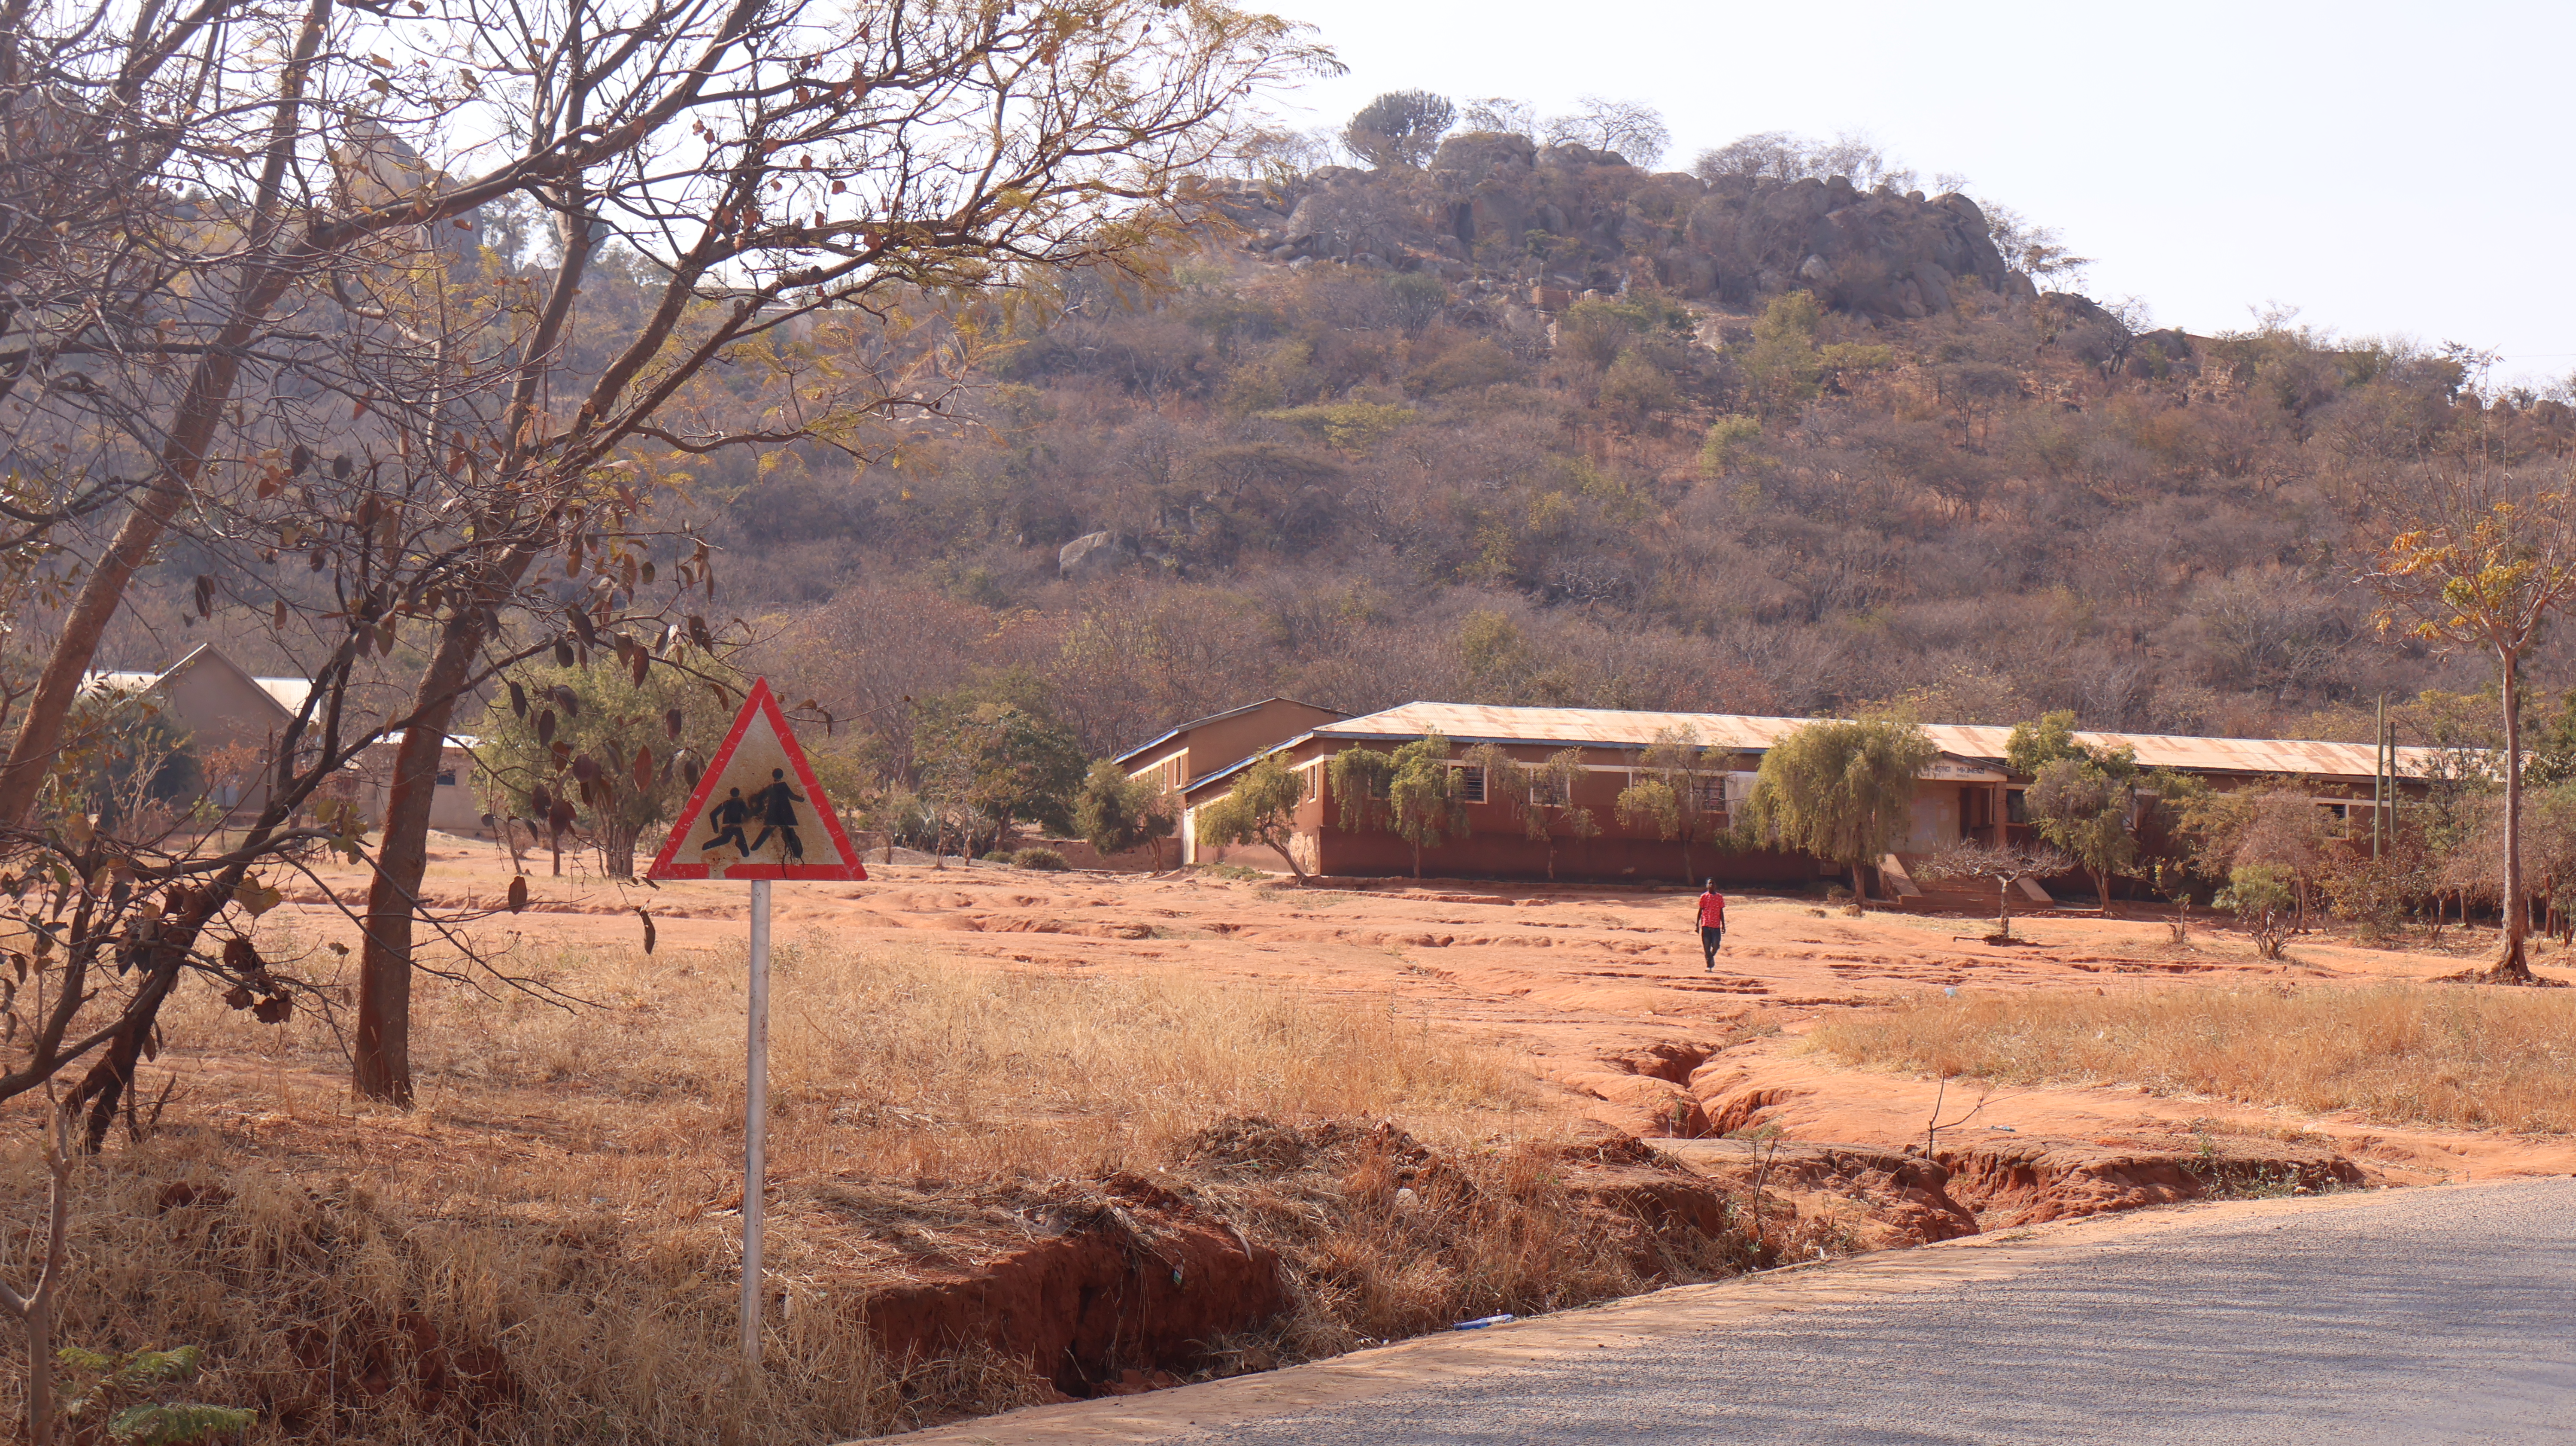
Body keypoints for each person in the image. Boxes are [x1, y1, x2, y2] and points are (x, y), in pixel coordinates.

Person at [747, 767, 807, 862]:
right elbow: (792, 796)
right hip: (785, 813)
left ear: (774, 776)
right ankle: (796, 852)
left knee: (768, 830)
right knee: (788, 829)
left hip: (774, 814)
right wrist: (802, 799)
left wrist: (754, 801)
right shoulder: (784, 786)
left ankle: (755, 847)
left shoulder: (771, 788)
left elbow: (761, 796)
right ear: (782, 776)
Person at [700, 787, 750, 857]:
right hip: (733, 828)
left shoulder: (727, 803)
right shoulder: (740, 803)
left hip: (731, 828)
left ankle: (705, 847)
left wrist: (716, 829)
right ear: (738, 794)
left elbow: (713, 814)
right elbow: (748, 815)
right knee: (727, 841)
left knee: (745, 853)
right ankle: (704, 847)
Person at [1695, 879, 1725, 970]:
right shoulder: (1704, 897)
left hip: (1716, 925)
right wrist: (1697, 925)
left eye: (1713, 883)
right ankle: (1709, 966)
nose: (1712, 885)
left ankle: (1711, 957)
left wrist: (1723, 925)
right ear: (1707, 885)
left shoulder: (1719, 897)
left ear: (1716, 885)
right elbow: (1700, 911)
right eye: (1710, 883)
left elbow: (1721, 911)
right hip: (1706, 925)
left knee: (1716, 945)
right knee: (1707, 946)